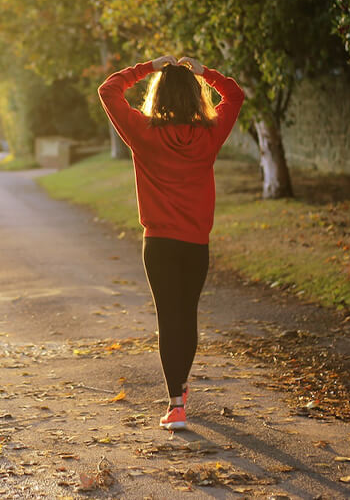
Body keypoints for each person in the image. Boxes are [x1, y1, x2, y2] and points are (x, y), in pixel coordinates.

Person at [98, 55, 244, 431]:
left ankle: (176, 404)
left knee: (168, 318)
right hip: (195, 244)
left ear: (157, 96)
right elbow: (235, 94)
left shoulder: (142, 132)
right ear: (196, 97)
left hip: (159, 244)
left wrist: (148, 67)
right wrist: (204, 72)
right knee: (187, 315)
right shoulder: (210, 133)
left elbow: (108, 90)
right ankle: (180, 387)